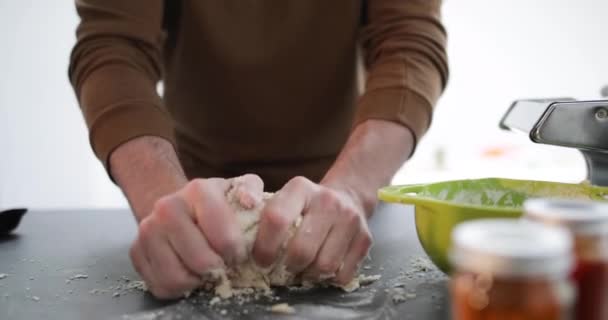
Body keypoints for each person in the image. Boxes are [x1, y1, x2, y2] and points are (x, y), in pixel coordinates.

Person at [69, 0, 448, 299]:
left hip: (341, 192)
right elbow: (113, 46)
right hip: (194, 192)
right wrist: (160, 195)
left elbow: (409, 42)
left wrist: (352, 188)